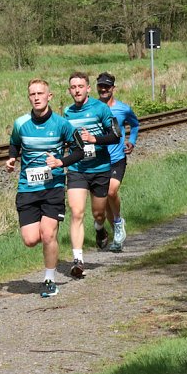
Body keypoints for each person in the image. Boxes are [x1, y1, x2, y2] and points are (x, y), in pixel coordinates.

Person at [6, 79, 83, 298]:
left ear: (49, 96)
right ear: (29, 97)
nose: (37, 97)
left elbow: (80, 150)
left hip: (53, 187)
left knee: (48, 234)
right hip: (27, 188)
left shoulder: (62, 124)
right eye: (33, 94)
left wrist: (61, 162)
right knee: (31, 240)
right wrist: (12, 158)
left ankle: (49, 279)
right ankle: (48, 244)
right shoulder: (21, 123)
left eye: (41, 93)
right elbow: (15, 143)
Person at [64, 72, 121, 278]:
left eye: (80, 86)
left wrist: (94, 139)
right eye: (73, 87)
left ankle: (99, 228)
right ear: (70, 91)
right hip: (77, 170)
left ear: (88, 88)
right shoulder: (67, 112)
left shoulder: (101, 109)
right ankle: (78, 260)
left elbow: (116, 135)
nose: (77, 90)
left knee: (98, 214)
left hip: (100, 169)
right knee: (76, 212)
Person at [96, 72, 139, 253]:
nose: (104, 89)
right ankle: (117, 236)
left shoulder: (123, 109)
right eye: (101, 86)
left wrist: (132, 141)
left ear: (113, 88)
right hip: (98, 161)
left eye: (107, 86)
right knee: (104, 203)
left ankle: (119, 221)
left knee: (111, 191)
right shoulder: (93, 108)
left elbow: (135, 124)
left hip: (117, 158)